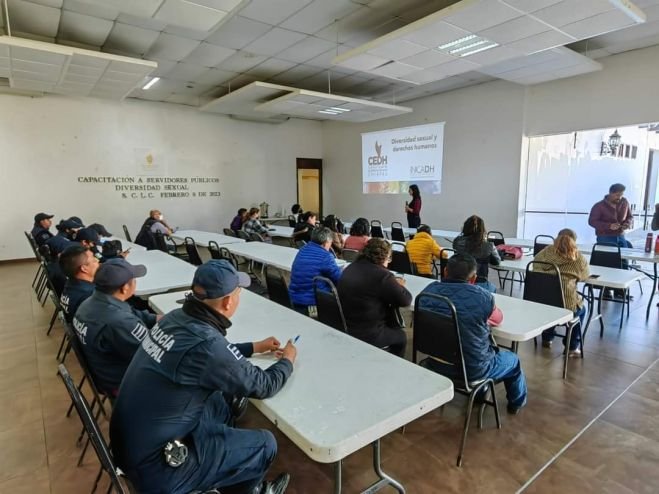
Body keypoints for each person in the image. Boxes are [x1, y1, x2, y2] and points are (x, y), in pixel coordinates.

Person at [110, 260, 295, 494]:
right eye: (238, 294)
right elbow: (263, 385)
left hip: (133, 444)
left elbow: (212, 356)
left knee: (221, 402)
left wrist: (253, 347)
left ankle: (228, 468)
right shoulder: (207, 344)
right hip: (159, 468)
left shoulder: (175, 318)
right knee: (265, 445)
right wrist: (287, 360)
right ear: (228, 301)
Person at [419, 254, 526, 414]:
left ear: (445, 271)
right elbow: (498, 319)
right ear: (473, 279)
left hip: (433, 364)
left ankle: (481, 391)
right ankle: (516, 404)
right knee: (513, 360)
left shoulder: (428, 291)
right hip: (471, 370)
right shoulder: (482, 297)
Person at [72, 258, 158, 397]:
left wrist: (162, 318)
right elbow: (153, 356)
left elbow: (135, 314)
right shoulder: (120, 322)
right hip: (124, 384)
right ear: (125, 287)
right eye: (134, 279)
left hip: (106, 372)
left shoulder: (91, 302)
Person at [337, 238, 412, 357]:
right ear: (383, 257)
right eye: (389, 258)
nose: (389, 262)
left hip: (346, 325)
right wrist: (399, 285)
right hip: (368, 334)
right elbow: (406, 300)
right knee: (401, 336)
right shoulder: (383, 276)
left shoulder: (351, 267)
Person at [533, 229, 589, 357]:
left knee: (551, 308)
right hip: (566, 304)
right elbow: (584, 277)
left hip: (543, 301)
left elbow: (535, 266)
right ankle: (572, 346)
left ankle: (547, 338)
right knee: (581, 309)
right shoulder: (578, 257)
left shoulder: (546, 251)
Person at [289, 227, 343, 315]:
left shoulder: (302, 250)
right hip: (312, 304)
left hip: (294, 299)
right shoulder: (326, 256)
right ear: (326, 242)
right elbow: (340, 279)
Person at [452, 215, 501, 293]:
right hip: (480, 283)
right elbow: (497, 261)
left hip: (460, 281)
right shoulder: (488, 245)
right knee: (493, 288)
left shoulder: (457, 242)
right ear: (482, 230)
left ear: (465, 227)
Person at [59, 245, 100, 322]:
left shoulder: (70, 282)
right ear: (84, 268)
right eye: (94, 260)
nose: (97, 260)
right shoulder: (90, 294)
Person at [588, 183, 634, 249]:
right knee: (608, 259)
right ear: (610, 193)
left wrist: (628, 223)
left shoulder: (624, 202)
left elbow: (630, 216)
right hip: (605, 238)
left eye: (621, 195)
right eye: (617, 195)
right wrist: (609, 226)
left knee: (624, 258)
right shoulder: (599, 206)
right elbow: (592, 221)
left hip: (621, 236)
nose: (620, 198)